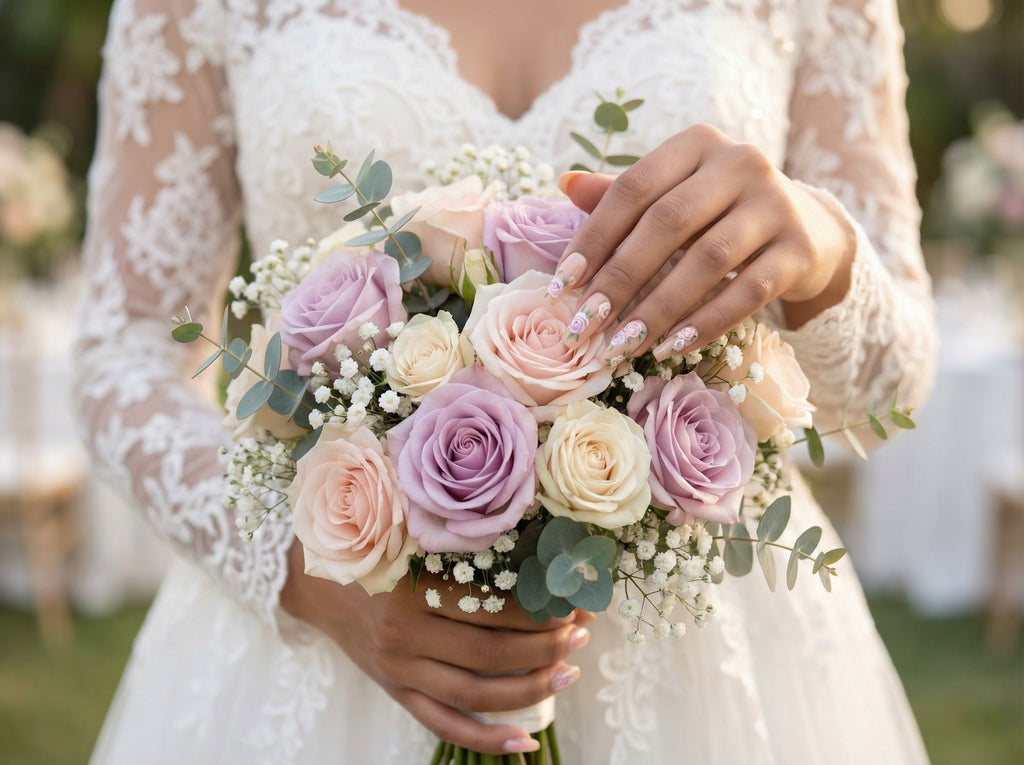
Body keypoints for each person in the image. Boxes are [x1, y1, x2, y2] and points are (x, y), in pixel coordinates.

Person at [75, 0, 936, 762]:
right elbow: (127, 345)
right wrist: (305, 573)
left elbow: (890, 389)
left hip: (704, 654)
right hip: (328, 649)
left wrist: (820, 245)